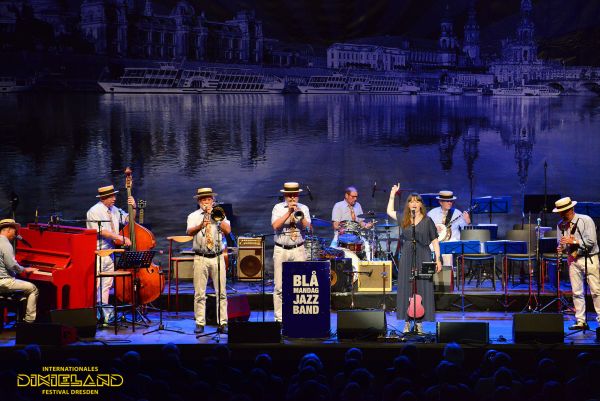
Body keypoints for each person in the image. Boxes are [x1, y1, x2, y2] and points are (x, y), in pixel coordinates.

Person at [387, 184, 441, 333]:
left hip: (424, 254)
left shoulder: (427, 220)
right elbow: (389, 211)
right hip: (407, 254)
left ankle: (420, 322)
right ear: (408, 204)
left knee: (423, 286)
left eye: (417, 201)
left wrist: (438, 259)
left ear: (421, 204)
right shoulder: (404, 218)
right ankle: (407, 321)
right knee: (407, 287)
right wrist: (392, 194)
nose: (414, 203)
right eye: (411, 201)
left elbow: (435, 240)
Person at [87, 185, 136, 324]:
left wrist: (133, 208)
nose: (114, 198)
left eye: (114, 196)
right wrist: (120, 238)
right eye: (111, 196)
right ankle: (96, 315)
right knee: (97, 284)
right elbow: (101, 231)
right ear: (103, 198)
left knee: (107, 285)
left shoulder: (114, 210)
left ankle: (106, 316)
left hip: (111, 253)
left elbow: (129, 220)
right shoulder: (94, 211)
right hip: (99, 253)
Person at [187, 187, 231, 334]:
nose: (206, 202)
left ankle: (223, 322)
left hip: (217, 256)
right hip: (201, 257)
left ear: (212, 201)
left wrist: (215, 217)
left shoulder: (219, 214)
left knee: (221, 292)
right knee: (200, 293)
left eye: (209, 199)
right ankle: (200, 322)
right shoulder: (193, 216)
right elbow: (189, 232)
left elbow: (228, 231)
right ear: (199, 201)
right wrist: (202, 224)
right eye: (204, 199)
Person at [554, 197, 599, 330]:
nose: (562, 215)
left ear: (571, 209)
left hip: (589, 258)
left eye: (564, 212)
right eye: (560, 213)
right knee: (576, 292)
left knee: (596, 291)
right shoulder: (560, 225)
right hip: (572, 260)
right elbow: (561, 242)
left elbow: (591, 241)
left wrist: (572, 241)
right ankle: (581, 321)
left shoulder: (585, 220)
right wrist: (561, 247)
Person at [271, 182, 311, 323]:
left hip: (298, 249)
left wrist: (299, 212)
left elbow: (308, 227)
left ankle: (298, 316)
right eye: (290, 195)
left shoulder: (303, 208)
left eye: (295, 195)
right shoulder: (278, 208)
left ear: (298, 195)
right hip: (282, 249)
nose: (292, 198)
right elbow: (275, 225)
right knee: (279, 286)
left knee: (300, 285)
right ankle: (279, 319)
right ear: (285, 195)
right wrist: (288, 212)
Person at [0, 219, 39, 323]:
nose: (15, 235)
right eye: (14, 231)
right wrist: (24, 269)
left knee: (22, 294)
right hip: (4, 282)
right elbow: (11, 265)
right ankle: (29, 322)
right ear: (8, 230)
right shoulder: (5, 244)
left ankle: (21, 309)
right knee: (33, 289)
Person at [427, 190, 471, 267]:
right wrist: (433, 229)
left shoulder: (457, 213)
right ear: (440, 202)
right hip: (436, 242)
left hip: (451, 243)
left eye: (451, 201)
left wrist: (468, 222)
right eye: (447, 201)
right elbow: (425, 229)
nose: (450, 203)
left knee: (448, 253)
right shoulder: (432, 213)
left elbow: (467, 232)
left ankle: (449, 275)